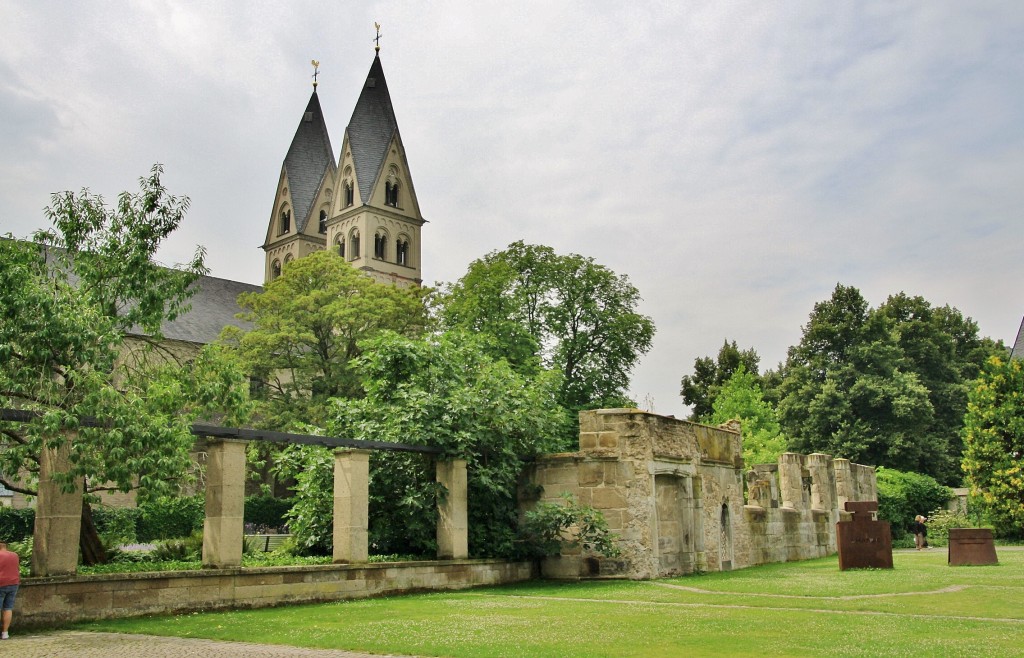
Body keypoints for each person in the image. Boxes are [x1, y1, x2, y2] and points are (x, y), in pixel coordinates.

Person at [0, 540, 19, 640]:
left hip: (1, 583)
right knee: (8, 608)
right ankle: (5, 633)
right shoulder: (14, 555)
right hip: (13, 583)